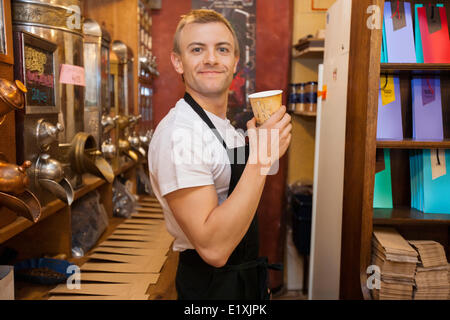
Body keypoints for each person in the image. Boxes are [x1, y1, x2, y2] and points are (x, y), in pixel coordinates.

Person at [148, 9, 292, 300]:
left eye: (222, 49)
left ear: (235, 62)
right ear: (178, 61)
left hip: (243, 280)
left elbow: (245, 188)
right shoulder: (180, 135)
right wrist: (261, 158)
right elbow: (213, 249)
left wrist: (262, 147)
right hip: (210, 288)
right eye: (197, 49)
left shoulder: (225, 127)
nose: (211, 59)